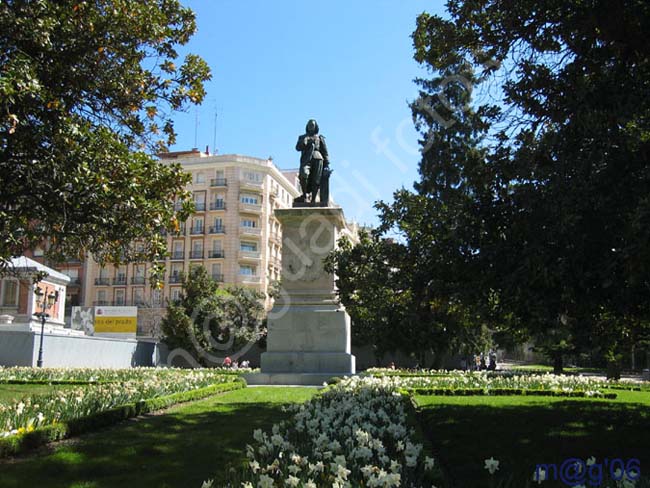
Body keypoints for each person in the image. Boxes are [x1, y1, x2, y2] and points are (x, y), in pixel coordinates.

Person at [295, 119, 329, 205]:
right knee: (303, 174)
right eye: (309, 125)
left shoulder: (319, 138)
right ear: (307, 127)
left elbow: (325, 152)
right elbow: (298, 148)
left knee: (316, 179)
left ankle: (313, 199)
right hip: (306, 159)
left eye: (312, 125)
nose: (311, 127)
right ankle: (305, 196)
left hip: (318, 158)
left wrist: (327, 164)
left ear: (315, 127)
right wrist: (304, 141)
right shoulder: (302, 137)